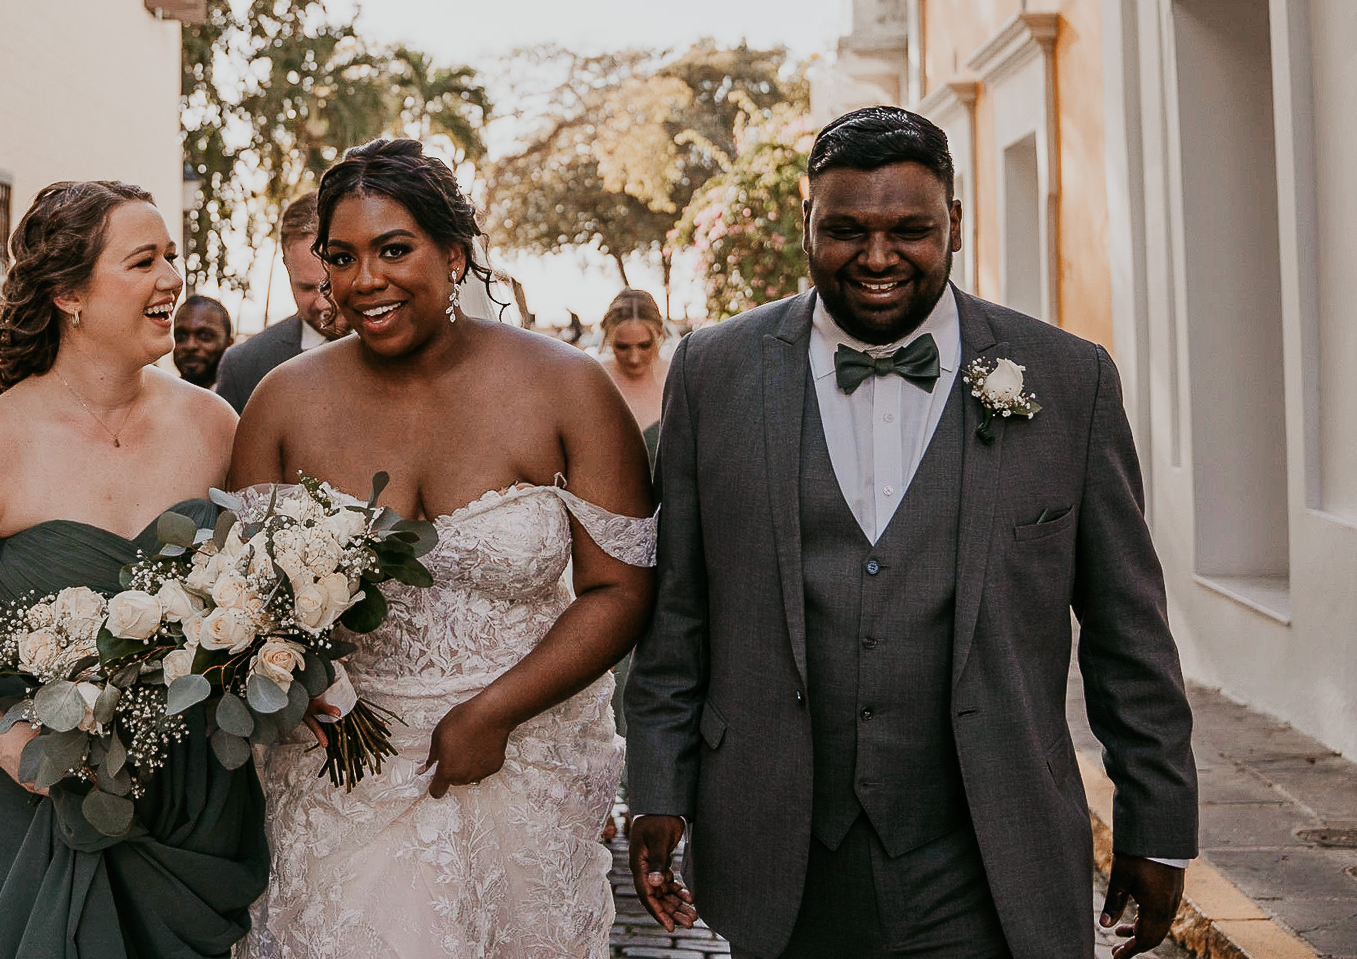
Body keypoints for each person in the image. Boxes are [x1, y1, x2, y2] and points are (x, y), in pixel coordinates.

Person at [624, 107, 1197, 959]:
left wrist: (1156, 821)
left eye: (910, 230)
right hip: (779, 846)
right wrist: (659, 784)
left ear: (956, 225)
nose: (878, 257)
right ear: (806, 225)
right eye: (846, 229)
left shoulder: (1070, 380)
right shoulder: (715, 372)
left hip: (986, 853)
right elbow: (678, 612)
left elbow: (1128, 628)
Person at [230, 138, 657, 959]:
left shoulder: (566, 387)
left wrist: (494, 711)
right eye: (341, 257)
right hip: (337, 772)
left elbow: (620, 590)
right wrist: (309, 684)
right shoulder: (282, 403)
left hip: (524, 759)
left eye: (394, 249)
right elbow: (251, 599)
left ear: (455, 254)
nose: (364, 280)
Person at [0, 181, 268, 957]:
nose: (172, 279)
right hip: (33, 793)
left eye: (173, 257)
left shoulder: (215, 425)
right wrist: (1, 741)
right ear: (68, 292)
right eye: (144, 261)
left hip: (192, 791)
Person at [215, 191, 343, 413]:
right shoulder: (244, 367)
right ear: (287, 267)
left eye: (330, 285)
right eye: (306, 288)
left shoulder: (407, 348)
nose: (323, 304)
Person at [600, 288, 669, 464]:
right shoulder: (596, 379)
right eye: (622, 347)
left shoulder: (676, 378)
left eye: (644, 345)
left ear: (659, 334)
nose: (634, 358)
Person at [173, 294, 235, 389]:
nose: (190, 346)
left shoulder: (245, 399)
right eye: (181, 336)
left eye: (204, 336)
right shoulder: (159, 398)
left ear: (228, 344)